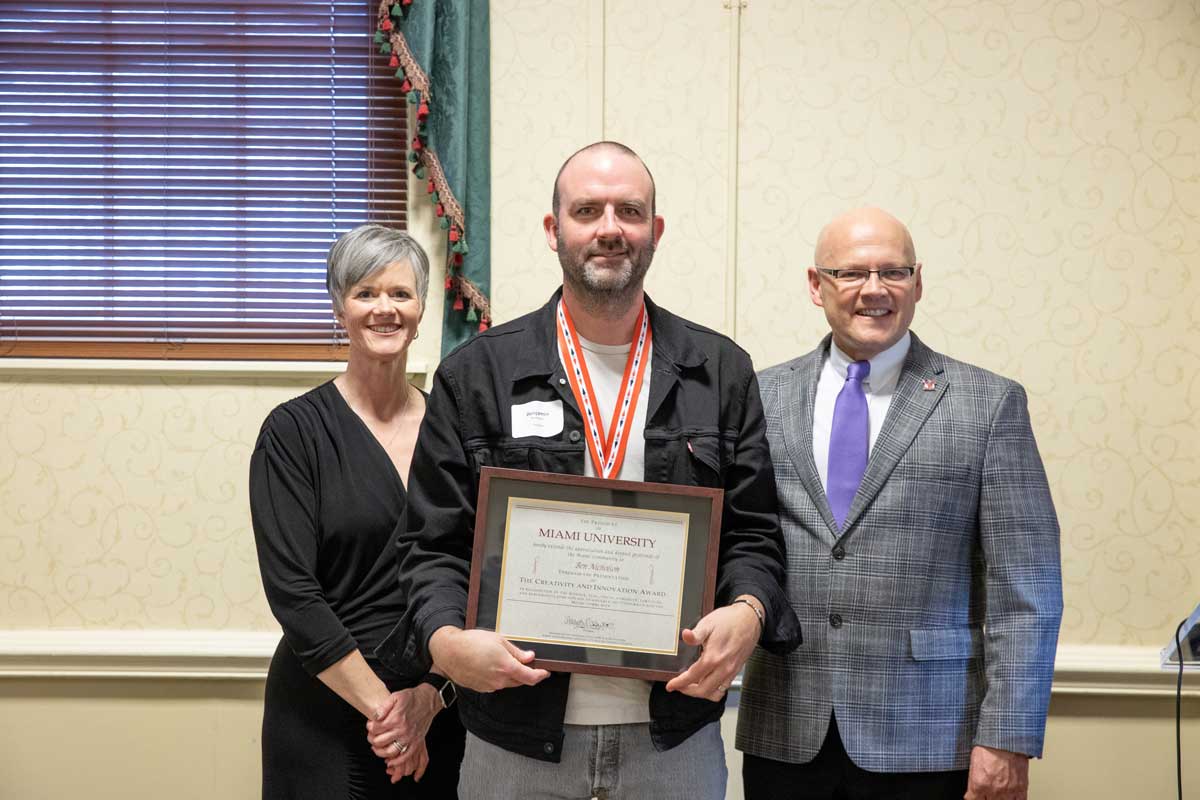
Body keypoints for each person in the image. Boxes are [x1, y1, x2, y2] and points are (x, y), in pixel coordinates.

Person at [376, 141, 801, 799]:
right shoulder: (478, 374)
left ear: (654, 231)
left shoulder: (719, 372)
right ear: (555, 230)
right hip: (517, 738)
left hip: (672, 739)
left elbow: (754, 536)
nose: (610, 229)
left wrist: (747, 612)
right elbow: (429, 547)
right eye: (587, 210)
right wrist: (444, 644)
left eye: (629, 211)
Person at [736, 206, 1063, 800]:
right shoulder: (760, 395)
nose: (874, 290)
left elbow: (1028, 591)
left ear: (918, 282)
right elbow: (739, 539)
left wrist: (1008, 738)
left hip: (931, 737)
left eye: (894, 272)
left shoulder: (988, 405)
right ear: (817, 285)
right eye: (852, 273)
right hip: (785, 730)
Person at [249, 224, 465, 798]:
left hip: (437, 711)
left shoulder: (456, 429)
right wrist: (389, 718)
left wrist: (426, 700)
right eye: (365, 293)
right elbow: (293, 594)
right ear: (338, 307)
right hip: (325, 713)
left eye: (401, 293)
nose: (384, 309)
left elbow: (480, 576)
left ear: (422, 309)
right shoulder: (292, 434)